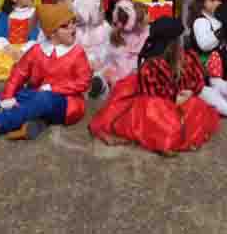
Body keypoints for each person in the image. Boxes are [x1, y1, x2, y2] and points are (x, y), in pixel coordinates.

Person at [90, 17, 219, 155]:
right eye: (179, 39)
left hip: (177, 100)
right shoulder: (151, 67)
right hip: (155, 103)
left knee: (196, 106)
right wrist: (175, 99)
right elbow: (152, 97)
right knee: (156, 114)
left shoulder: (186, 58)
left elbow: (196, 82)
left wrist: (189, 93)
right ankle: (165, 138)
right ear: (173, 43)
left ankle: (174, 133)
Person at [0, 3, 92, 141]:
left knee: (44, 99)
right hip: (37, 96)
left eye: (73, 22)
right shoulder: (37, 50)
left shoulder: (77, 52)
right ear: (51, 32)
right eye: (65, 26)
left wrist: (53, 88)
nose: (73, 28)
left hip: (67, 103)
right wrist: (8, 97)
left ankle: (0, 123)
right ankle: (34, 124)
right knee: (4, 94)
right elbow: (19, 73)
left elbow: (83, 82)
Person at [99, 0, 150, 91]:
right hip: (124, 78)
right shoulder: (139, 36)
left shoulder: (144, 32)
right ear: (137, 23)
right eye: (146, 13)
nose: (149, 15)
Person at [186, 0, 223, 67]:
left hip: (218, 61)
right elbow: (204, 45)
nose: (217, 3)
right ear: (201, 1)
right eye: (212, 0)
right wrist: (222, 31)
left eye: (219, 0)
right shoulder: (200, 21)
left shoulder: (216, 17)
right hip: (204, 63)